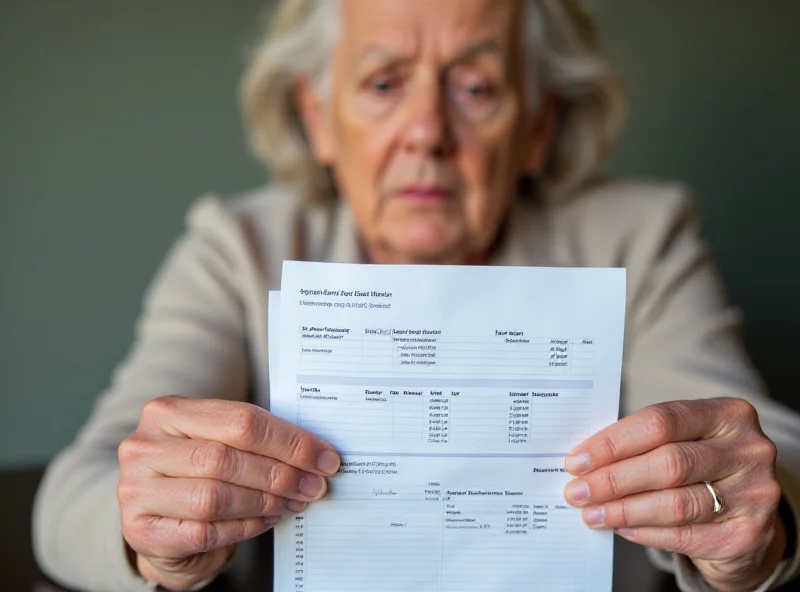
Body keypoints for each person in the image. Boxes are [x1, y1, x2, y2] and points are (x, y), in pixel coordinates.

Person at [32, 0, 800, 591]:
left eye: (475, 86)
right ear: (317, 118)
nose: (427, 131)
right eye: (384, 83)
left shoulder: (639, 236)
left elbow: (769, 454)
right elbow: (78, 493)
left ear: (537, 127)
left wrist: (752, 536)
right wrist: (152, 540)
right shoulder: (241, 248)